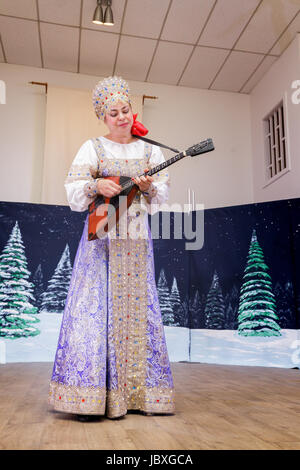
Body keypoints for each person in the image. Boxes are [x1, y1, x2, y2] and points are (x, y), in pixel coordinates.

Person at [48, 76, 175, 420]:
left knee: (138, 307)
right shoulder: (93, 147)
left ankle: (139, 395)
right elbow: (73, 192)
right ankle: (93, 397)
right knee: (96, 306)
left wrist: (148, 188)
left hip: (135, 241)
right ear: (103, 117)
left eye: (125, 110)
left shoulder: (151, 150)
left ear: (133, 111)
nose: (121, 117)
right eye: (113, 112)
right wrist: (95, 184)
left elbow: (160, 197)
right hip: (102, 239)